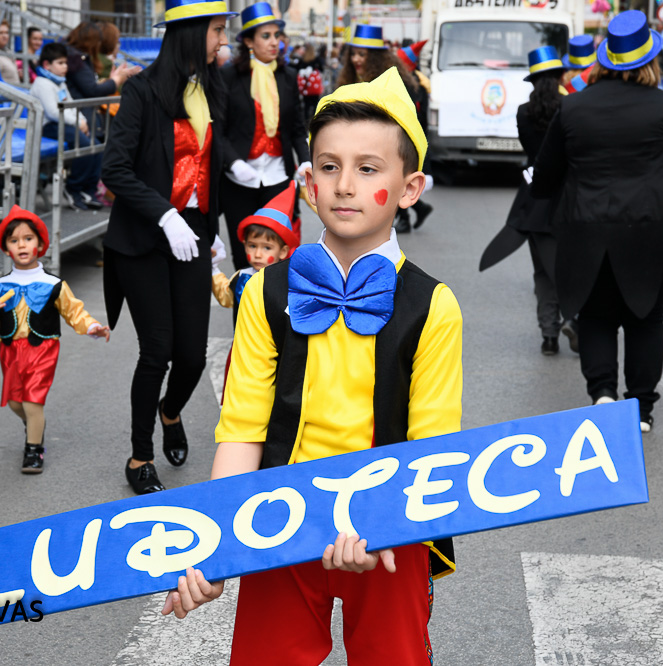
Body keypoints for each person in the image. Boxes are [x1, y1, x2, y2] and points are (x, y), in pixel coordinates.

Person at [162, 68, 462, 666]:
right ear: (308, 181)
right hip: (279, 523)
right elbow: (243, 427)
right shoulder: (265, 293)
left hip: (390, 533)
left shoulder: (434, 304)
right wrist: (218, 547)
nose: (344, 185)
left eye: (368, 169)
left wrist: (383, 524)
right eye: (329, 166)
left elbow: (432, 450)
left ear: (410, 187)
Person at [532, 10, 663, 433]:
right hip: (652, 227)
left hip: (585, 224)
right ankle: (640, 408)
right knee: (646, 317)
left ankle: (602, 393)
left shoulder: (574, 107)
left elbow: (545, 175)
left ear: (605, 58)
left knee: (596, 314)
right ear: (649, 61)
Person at [101, 0, 236, 495]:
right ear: (191, 33)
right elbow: (114, 170)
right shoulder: (139, 91)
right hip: (143, 239)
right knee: (157, 350)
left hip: (192, 233)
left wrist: (209, 225)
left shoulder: (210, 89)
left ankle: (171, 410)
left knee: (194, 357)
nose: (223, 40)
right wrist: (164, 214)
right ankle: (140, 457)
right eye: (217, 31)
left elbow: (206, 170)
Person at [0, 206, 110, 474]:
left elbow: (75, 312)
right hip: (10, 351)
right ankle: (34, 424)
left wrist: (93, 326)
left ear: (40, 244)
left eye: (28, 239)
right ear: (6, 249)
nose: (21, 245)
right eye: (14, 241)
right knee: (16, 402)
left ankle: (34, 450)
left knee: (32, 400)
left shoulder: (54, 284)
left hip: (43, 348)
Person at [481, 46, 570, 356]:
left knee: (543, 272)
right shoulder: (570, 107)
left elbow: (533, 153)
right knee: (571, 266)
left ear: (533, 80)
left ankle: (549, 335)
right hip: (566, 197)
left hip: (533, 198)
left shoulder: (522, 111)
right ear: (559, 76)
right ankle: (575, 320)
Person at [218, 2, 310, 271]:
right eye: (266, 36)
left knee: (281, 257)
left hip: (278, 178)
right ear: (248, 41)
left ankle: (275, 312)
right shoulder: (228, 77)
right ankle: (243, 311)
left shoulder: (289, 76)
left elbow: (296, 129)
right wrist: (234, 162)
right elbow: (219, 131)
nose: (275, 43)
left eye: (277, 36)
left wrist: (305, 160)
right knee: (243, 257)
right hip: (238, 180)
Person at [30, 42, 103, 211]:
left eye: (66, 63)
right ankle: (73, 188)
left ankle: (88, 190)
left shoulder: (60, 83)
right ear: (47, 65)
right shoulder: (42, 83)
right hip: (48, 127)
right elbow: (53, 112)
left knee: (97, 146)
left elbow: (70, 104)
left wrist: (82, 120)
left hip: (64, 123)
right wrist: (78, 123)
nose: (65, 67)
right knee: (84, 145)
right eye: (60, 63)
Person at [212, 181, 298, 322]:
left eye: (267, 248)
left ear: (283, 252)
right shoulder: (242, 276)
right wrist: (213, 268)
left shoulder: (288, 280)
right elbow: (226, 296)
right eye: (252, 246)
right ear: (245, 245)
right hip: (243, 343)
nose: (258, 254)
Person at [394, 39, 434, 233]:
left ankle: (406, 218)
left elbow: (419, 119)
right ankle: (417, 210)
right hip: (406, 138)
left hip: (410, 140)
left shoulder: (412, 86)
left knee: (399, 180)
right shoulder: (411, 82)